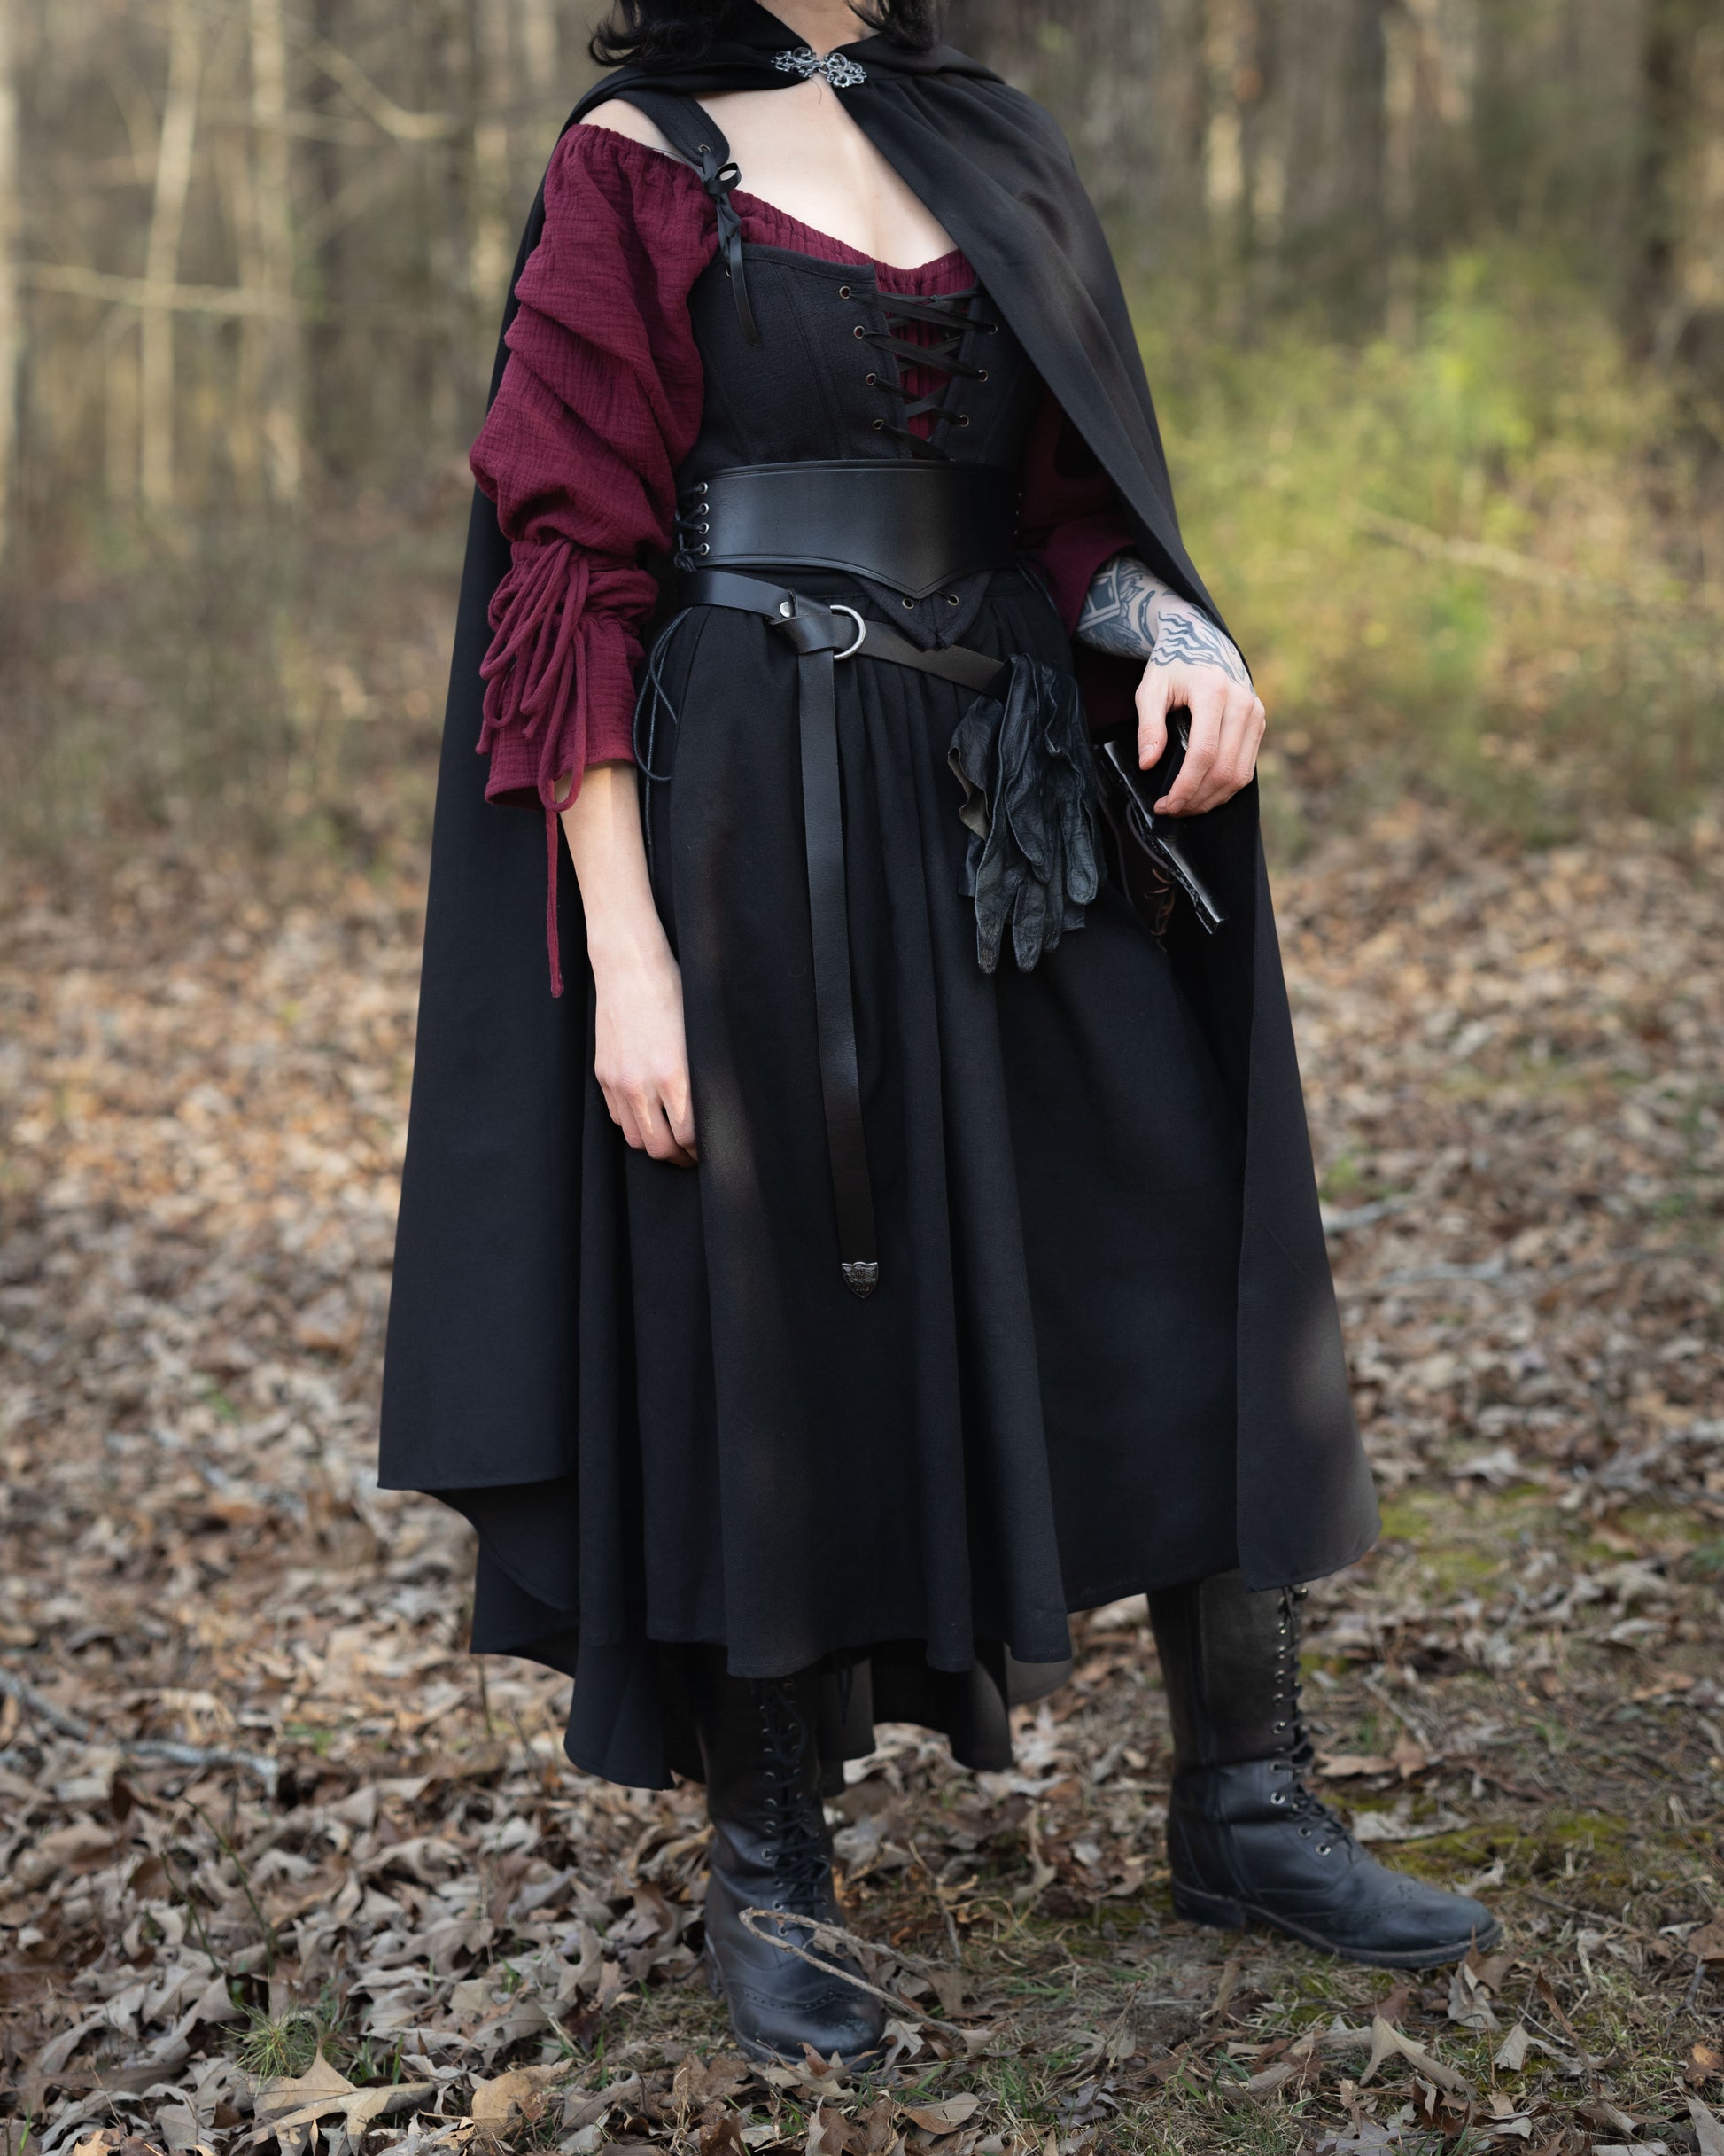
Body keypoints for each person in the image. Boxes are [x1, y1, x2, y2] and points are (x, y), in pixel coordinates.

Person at [378, 0, 1499, 2067]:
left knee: (1178, 1212)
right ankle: (771, 1874)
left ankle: (1248, 1804)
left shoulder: (989, 137)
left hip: (1006, 779)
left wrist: (1166, 623)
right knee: (758, 1311)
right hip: (745, 809)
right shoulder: (634, 159)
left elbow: (1071, 497)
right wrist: (626, 951)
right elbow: (571, 578)